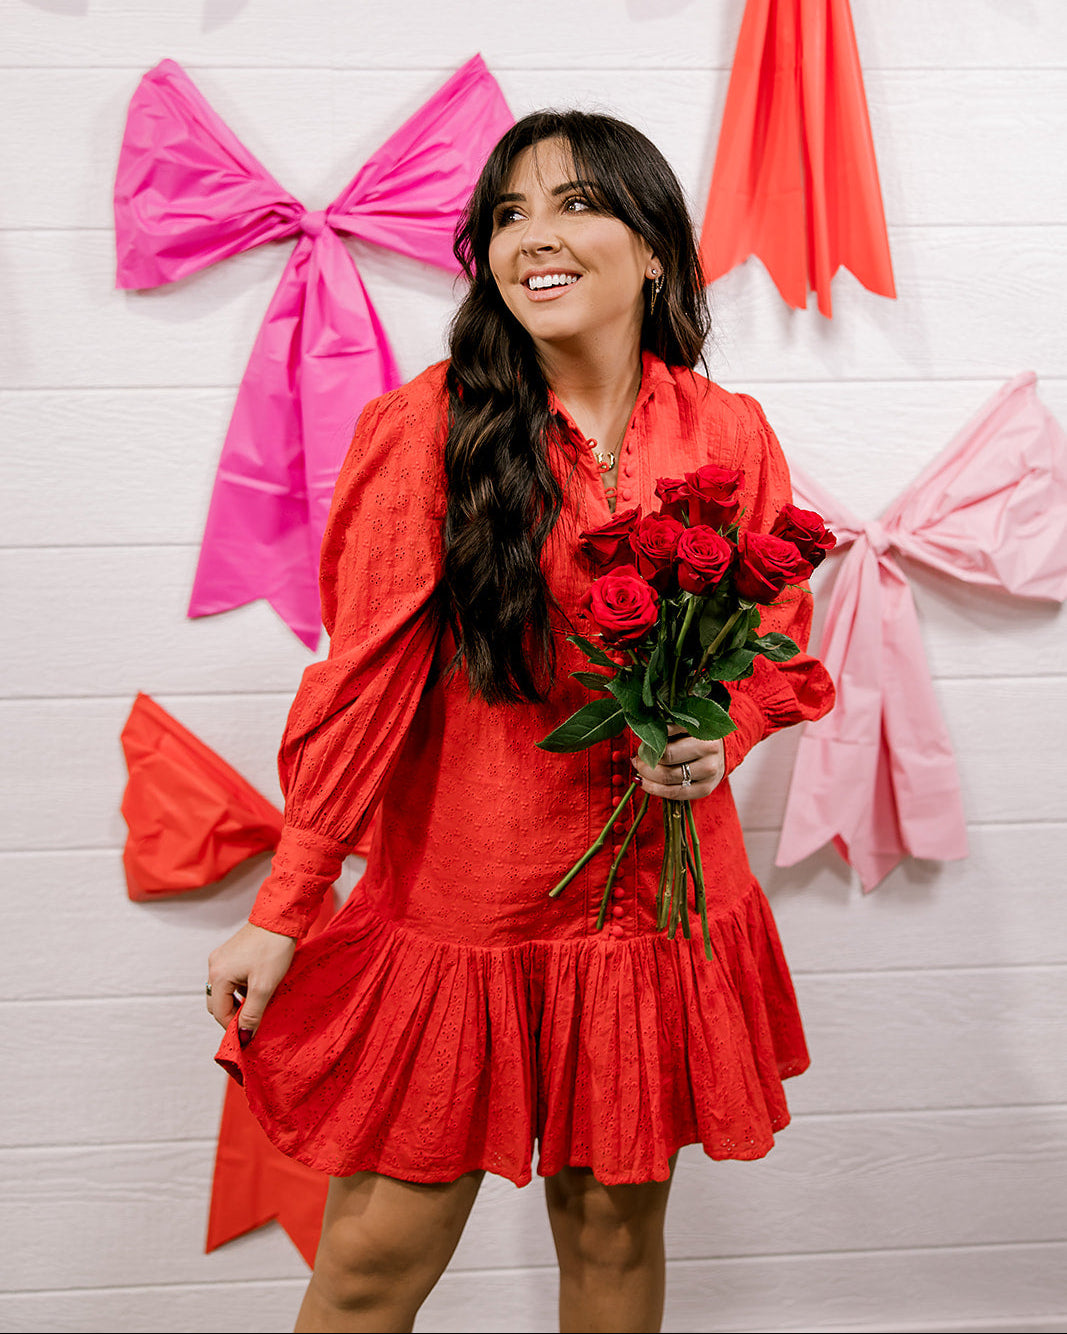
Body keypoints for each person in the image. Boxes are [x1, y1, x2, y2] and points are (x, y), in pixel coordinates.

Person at [206, 109, 834, 1334]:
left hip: (651, 907)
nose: (531, 239)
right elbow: (363, 682)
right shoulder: (427, 427)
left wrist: (722, 733)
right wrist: (287, 905)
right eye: (506, 214)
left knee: (612, 1240)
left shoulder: (728, 432)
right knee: (375, 1261)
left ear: (653, 248)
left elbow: (774, 644)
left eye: (571, 204)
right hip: (468, 907)